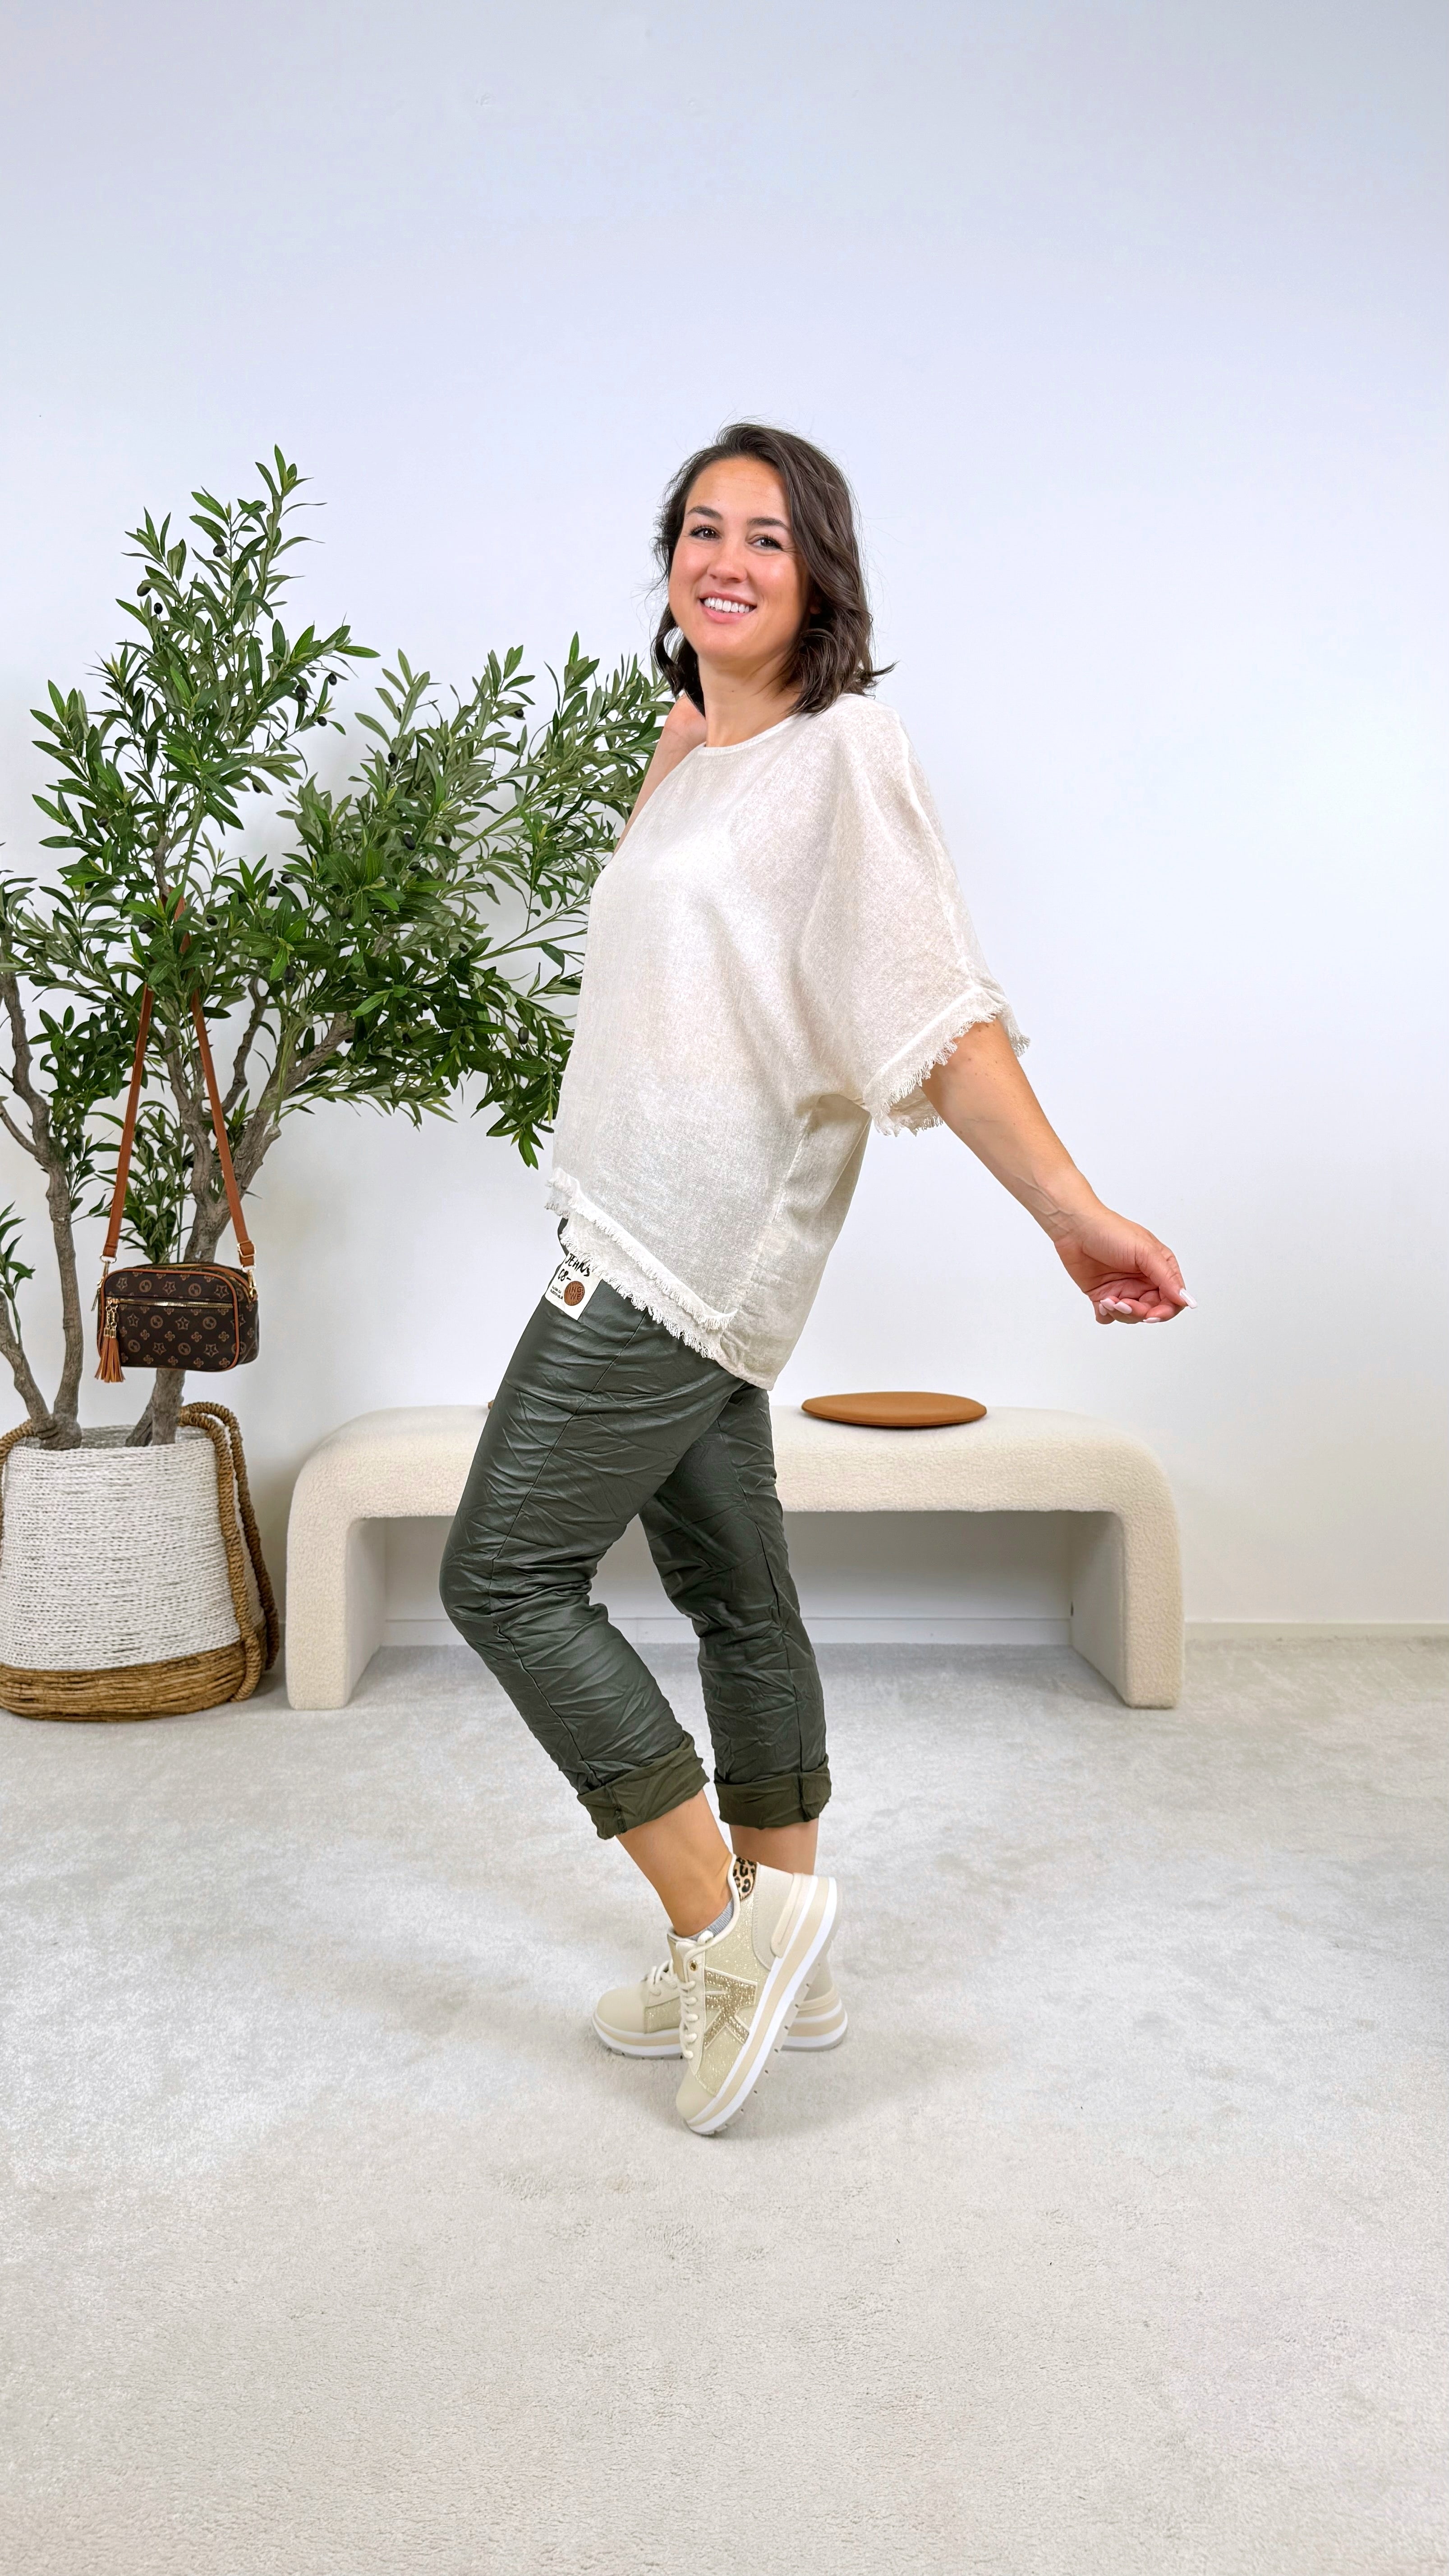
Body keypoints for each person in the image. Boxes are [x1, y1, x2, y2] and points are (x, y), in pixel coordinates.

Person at [441, 421, 1192, 2137]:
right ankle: (797, 1955)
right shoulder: (689, 746)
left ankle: (730, 1935)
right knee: (736, 1596)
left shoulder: (847, 749)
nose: (727, 560)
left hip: (684, 1243)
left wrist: (1071, 1212)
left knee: (502, 1575)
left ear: (819, 573)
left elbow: (935, 1006)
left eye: (767, 538)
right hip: (643, 1225)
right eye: (702, 529)